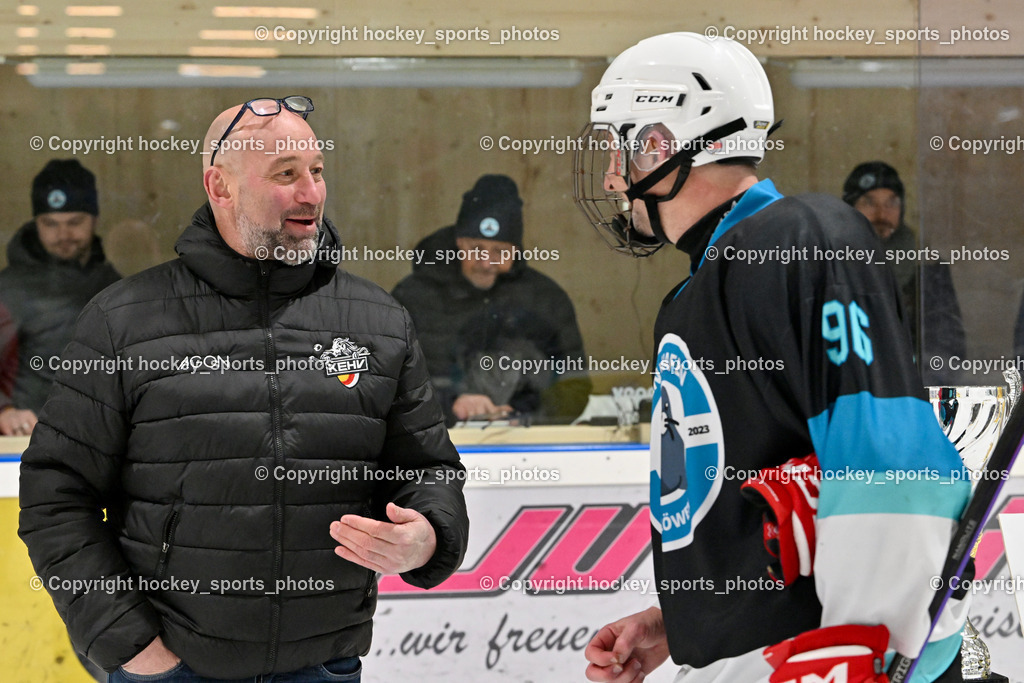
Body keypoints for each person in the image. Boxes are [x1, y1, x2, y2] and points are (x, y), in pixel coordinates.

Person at [19, 96, 469, 682]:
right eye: (286, 173)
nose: (311, 192)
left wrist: (427, 536)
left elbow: (427, 469)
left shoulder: (377, 320)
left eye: (316, 170)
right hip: (173, 669)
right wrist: (128, 643)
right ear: (220, 186)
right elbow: (56, 495)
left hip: (323, 665)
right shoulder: (123, 320)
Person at [572, 33, 972, 683]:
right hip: (750, 660)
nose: (613, 176)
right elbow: (767, 488)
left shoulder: (800, 239)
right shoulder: (698, 289)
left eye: (619, 147)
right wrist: (690, 620)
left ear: (659, 142)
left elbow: (890, 459)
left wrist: (868, 655)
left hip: (825, 661)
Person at [392, 174, 591, 425]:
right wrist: (449, 404)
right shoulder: (413, 297)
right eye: (476, 248)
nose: (486, 263)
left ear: (516, 250)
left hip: (524, 451)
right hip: (433, 445)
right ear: (459, 242)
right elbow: (387, 380)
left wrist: (525, 413)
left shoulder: (546, 300)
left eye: (499, 251)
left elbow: (573, 384)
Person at [0, 159, 121, 436]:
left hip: (101, 444)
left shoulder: (114, 286)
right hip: (27, 447)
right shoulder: (7, 292)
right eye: (50, 224)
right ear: (36, 223)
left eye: (75, 222)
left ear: (95, 219)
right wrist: (4, 411)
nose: (63, 235)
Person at [842, 161, 967, 384]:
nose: (882, 214)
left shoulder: (926, 266)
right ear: (850, 208)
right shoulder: (832, 262)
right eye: (869, 202)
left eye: (892, 202)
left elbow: (948, 350)